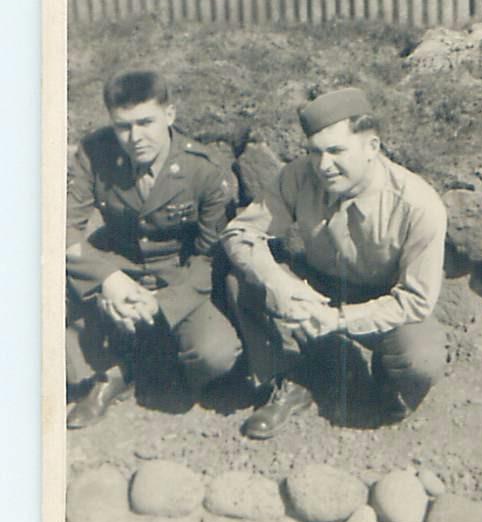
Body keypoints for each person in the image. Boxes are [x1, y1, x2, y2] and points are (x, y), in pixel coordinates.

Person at [221, 87, 448, 440]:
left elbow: (416, 301)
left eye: (336, 151)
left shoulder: (418, 205)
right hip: (316, 287)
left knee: (421, 357)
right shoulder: (299, 175)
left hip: (382, 299)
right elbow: (241, 235)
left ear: (372, 147)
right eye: (314, 152)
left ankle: (380, 383)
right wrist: (281, 286)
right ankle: (292, 376)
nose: (323, 166)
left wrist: (339, 319)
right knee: (243, 282)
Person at [65, 69, 241, 428]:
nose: (135, 137)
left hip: (176, 277)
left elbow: (209, 256)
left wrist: (163, 304)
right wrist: (107, 279)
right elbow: (60, 225)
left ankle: (154, 363)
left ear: (170, 115)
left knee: (216, 354)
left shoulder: (201, 169)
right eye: (123, 126)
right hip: (117, 264)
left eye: (146, 122)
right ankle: (110, 374)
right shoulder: (94, 153)